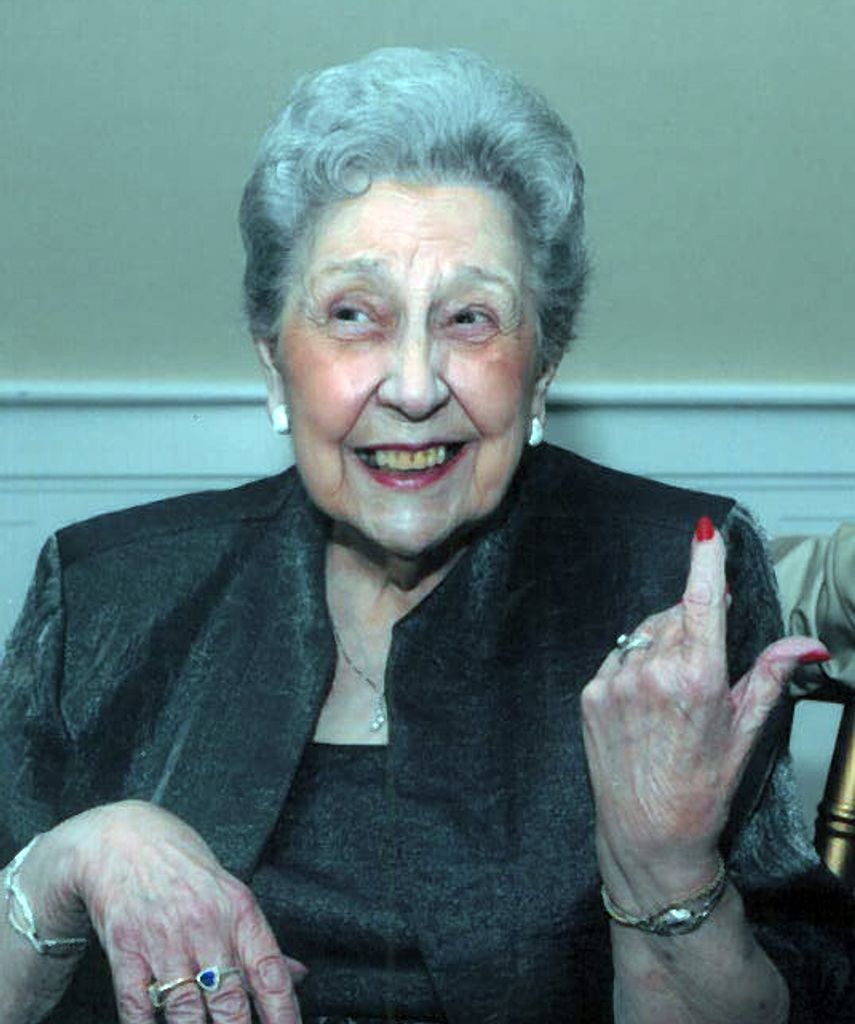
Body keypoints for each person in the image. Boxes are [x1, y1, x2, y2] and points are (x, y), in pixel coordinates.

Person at [1, 46, 852, 1024]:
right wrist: (71, 859)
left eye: (470, 318)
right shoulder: (108, 595)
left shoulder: (671, 585)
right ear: (274, 363)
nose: (413, 386)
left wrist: (660, 866)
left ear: (541, 368)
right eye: (354, 314)